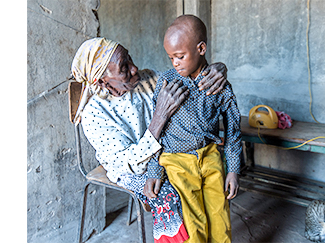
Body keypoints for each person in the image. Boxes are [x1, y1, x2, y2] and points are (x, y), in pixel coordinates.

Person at [73, 38, 228, 242]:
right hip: (129, 167)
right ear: (102, 81)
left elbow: (189, 79)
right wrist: (160, 117)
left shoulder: (149, 78)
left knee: (208, 168)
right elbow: (132, 164)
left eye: (129, 58)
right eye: (124, 67)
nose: (134, 68)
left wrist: (215, 69)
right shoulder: (94, 114)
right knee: (168, 192)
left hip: (163, 152)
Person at [145, 15, 242, 243]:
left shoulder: (220, 85)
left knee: (220, 219)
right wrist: (154, 169)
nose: (175, 63)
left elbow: (233, 132)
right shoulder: (167, 82)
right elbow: (156, 128)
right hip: (177, 162)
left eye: (180, 56)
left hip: (210, 158)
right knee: (192, 225)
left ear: (201, 48)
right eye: (170, 58)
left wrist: (233, 170)